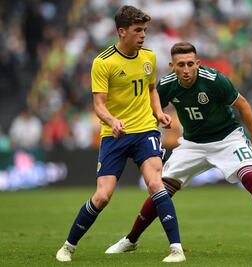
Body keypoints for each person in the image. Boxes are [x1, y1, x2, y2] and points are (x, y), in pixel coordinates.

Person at [105, 41, 252, 256]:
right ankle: (131, 239)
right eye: (180, 65)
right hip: (193, 144)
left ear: (197, 63)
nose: (186, 70)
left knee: (251, 178)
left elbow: (243, 105)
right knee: (161, 189)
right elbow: (151, 109)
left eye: (190, 64)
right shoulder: (166, 85)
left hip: (227, 138)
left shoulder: (215, 81)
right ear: (172, 66)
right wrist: (156, 121)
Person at [56, 6, 185, 263]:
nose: (143, 35)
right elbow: (99, 104)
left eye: (145, 30)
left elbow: (151, 90)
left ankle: (176, 249)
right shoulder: (103, 62)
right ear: (122, 31)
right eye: (138, 30)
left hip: (145, 130)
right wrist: (112, 120)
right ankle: (68, 247)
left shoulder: (148, 57)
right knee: (103, 196)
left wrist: (158, 113)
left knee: (155, 183)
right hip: (114, 134)